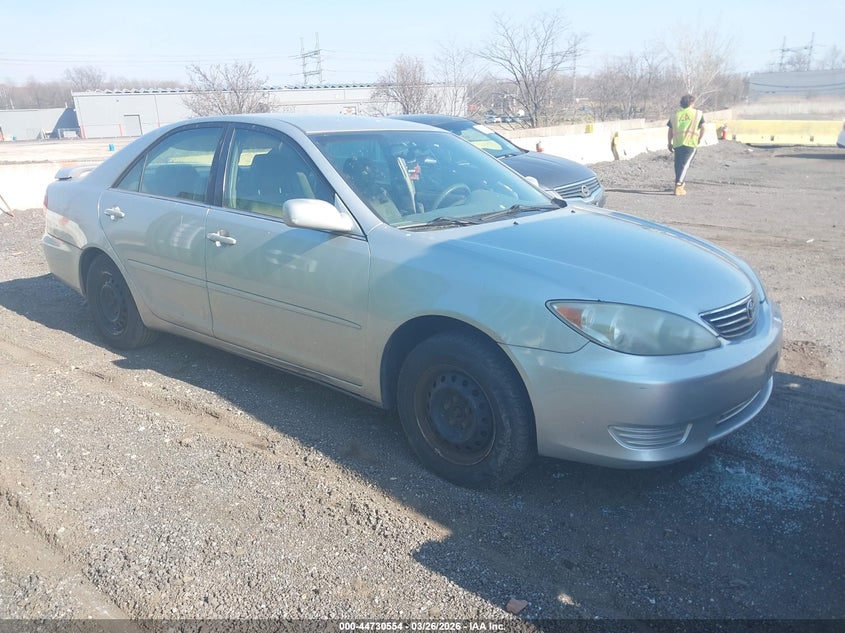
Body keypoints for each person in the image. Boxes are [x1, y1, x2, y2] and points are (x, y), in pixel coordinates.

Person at [667, 94, 705, 196]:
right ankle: (678, 185)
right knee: (685, 165)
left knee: (678, 165)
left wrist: (669, 143)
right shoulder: (697, 114)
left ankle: (680, 182)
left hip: (678, 143)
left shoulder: (675, 115)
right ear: (692, 103)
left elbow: (670, 130)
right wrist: (699, 138)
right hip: (690, 143)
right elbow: (703, 127)